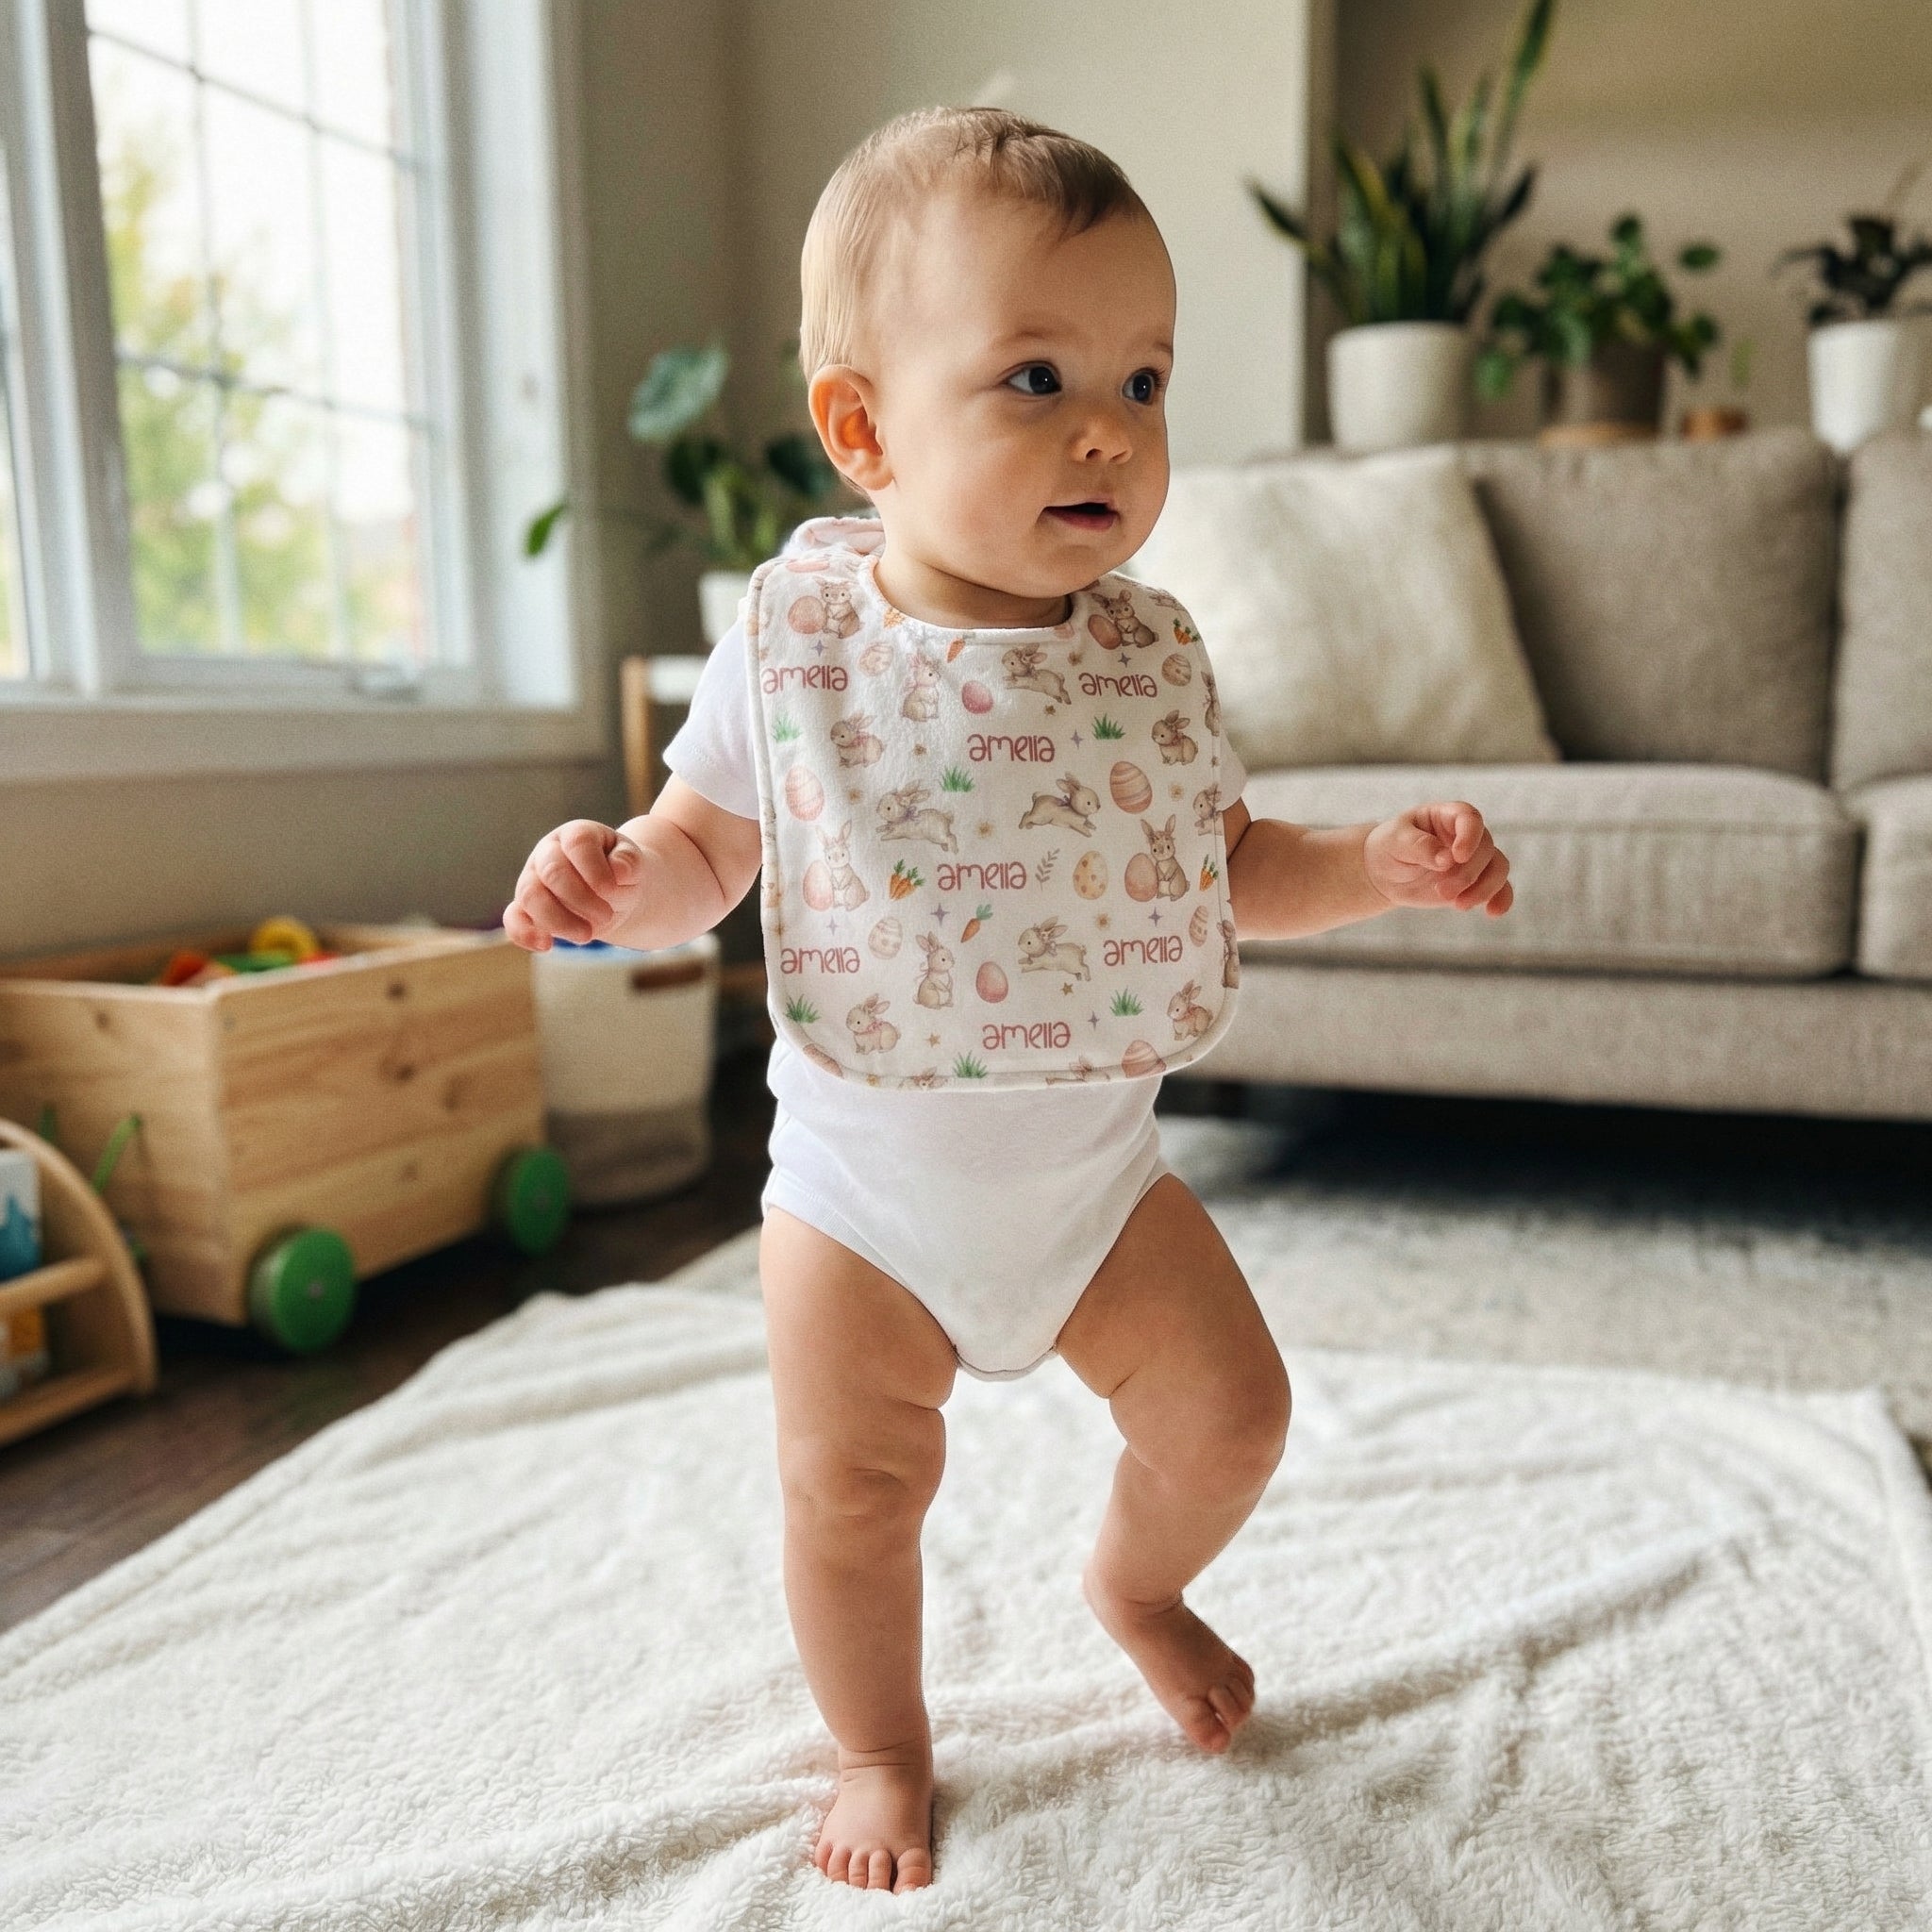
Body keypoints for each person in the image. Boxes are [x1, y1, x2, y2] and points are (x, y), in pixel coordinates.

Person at [505, 106, 1514, 1895]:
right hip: (860, 1207)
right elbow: (706, 846)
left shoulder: (1150, 660)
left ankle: (1135, 1583)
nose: (1110, 430)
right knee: (852, 1494)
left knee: (1236, 1416)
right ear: (864, 428)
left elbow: (1221, 866)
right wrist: (614, 883)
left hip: (1095, 1189)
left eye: (1144, 377)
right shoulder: (798, 643)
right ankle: (884, 1745)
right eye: (1037, 375)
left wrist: (1373, 863)